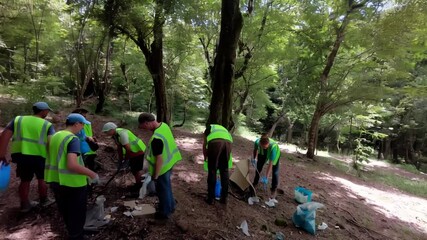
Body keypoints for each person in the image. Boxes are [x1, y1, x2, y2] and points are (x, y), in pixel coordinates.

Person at [45, 113, 99, 240]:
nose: (82, 128)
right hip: (73, 182)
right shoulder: (72, 139)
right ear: (76, 124)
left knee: (66, 210)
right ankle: (76, 236)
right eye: (82, 125)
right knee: (77, 211)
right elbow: (72, 165)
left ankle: (75, 231)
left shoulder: (56, 135)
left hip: (56, 180)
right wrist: (92, 174)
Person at [0, 102, 55, 212]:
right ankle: (44, 200)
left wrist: (1, 155)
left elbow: (4, 135)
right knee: (42, 178)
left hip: (22, 155)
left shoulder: (18, 120)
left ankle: (24, 205)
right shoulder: (47, 125)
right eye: (47, 111)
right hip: (40, 155)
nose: (47, 113)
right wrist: (52, 158)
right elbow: (52, 142)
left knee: (25, 179)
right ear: (43, 111)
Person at [138, 112, 181, 219]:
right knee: (167, 187)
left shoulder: (157, 138)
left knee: (162, 190)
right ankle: (171, 206)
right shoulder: (164, 125)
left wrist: (155, 177)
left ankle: (164, 213)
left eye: (143, 126)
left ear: (147, 123)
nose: (143, 128)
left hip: (162, 168)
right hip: (170, 162)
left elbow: (159, 159)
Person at [102, 122, 146, 191]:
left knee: (136, 170)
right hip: (133, 152)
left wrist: (125, 159)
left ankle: (139, 187)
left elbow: (128, 149)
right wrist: (120, 159)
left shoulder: (122, 134)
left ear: (111, 130)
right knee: (134, 170)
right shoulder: (115, 135)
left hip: (138, 151)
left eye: (106, 132)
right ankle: (139, 184)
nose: (106, 134)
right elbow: (119, 147)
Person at [202, 124, 233, 205]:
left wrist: (205, 156)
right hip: (228, 143)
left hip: (215, 143)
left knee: (212, 171)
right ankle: (224, 198)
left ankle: (210, 198)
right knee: (224, 171)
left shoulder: (209, 129)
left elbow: (205, 145)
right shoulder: (223, 129)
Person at [252, 133, 281, 206]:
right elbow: (255, 150)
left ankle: (273, 189)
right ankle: (255, 183)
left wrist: (266, 177)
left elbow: (270, 164)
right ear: (260, 144)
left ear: (268, 144)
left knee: (275, 172)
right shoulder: (257, 142)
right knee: (258, 166)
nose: (265, 148)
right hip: (262, 154)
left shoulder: (273, 147)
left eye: (266, 147)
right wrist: (254, 158)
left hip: (275, 154)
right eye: (263, 147)